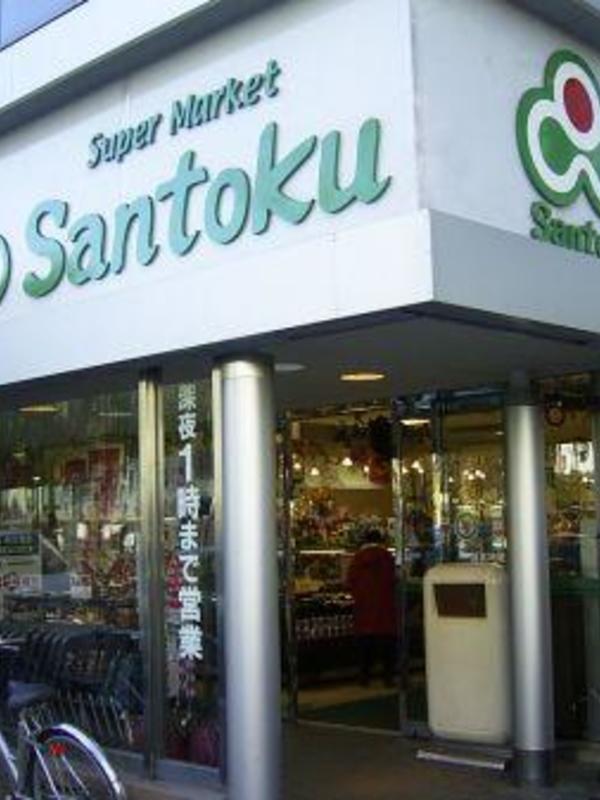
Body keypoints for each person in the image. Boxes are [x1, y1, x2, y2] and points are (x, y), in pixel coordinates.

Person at [347, 528, 397, 686]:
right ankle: (387, 678)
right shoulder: (387, 556)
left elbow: (350, 581)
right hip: (385, 608)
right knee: (387, 645)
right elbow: (393, 579)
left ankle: (364, 678)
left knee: (365, 645)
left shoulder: (358, 558)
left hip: (364, 608)